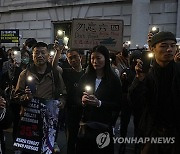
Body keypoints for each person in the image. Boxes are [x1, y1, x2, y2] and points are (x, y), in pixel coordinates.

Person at [129, 31, 180, 154]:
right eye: (163, 46)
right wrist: (139, 80)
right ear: (152, 49)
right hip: (152, 133)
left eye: (173, 45)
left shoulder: (178, 71)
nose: (169, 49)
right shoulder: (147, 74)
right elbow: (135, 102)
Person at [15, 42, 66, 153]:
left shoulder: (55, 74)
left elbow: (63, 93)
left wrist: (61, 102)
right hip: (30, 119)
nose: (39, 56)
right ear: (32, 56)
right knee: (29, 150)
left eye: (43, 52)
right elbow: (16, 96)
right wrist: (26, 97)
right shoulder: (24, 74)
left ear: (48, 55)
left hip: (48, 120)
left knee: (46, 149)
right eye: (36, 53)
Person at [76, 45, 122, 154]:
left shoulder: (113, 80)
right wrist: (82, 100)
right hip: (86, 124)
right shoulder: (86, 77)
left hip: (103, 124)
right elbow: (76, 97)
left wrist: (99, 103)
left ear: (106, 58)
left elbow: (118, 104)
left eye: (98, 58)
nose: (95, 61)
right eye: (92, 58)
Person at [53, 45, 85, 154]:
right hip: (70, 110)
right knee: (71, 140)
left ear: (80, 57)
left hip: (85, 111)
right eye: (70, 58)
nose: (73, 60)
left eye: (75, 57)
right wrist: (58, 52)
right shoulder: (66, 72)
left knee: (83, 140)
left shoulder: (87, 73)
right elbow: (54, 67)